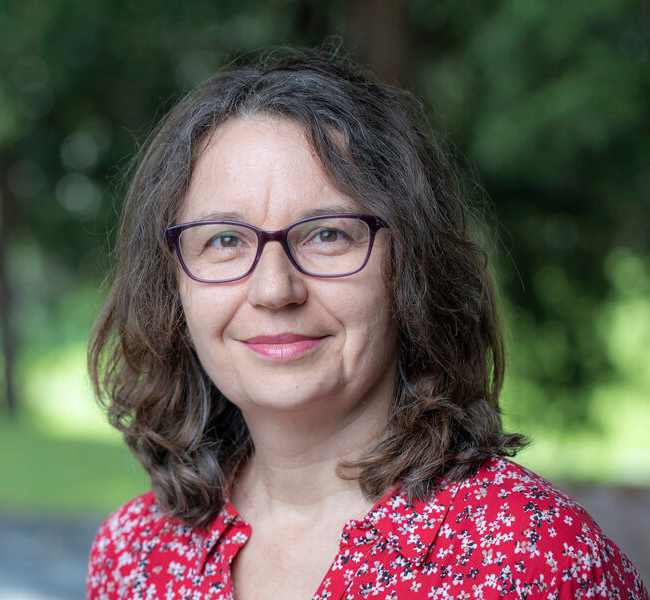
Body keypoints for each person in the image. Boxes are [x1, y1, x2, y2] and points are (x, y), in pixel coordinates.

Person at [85, 49, 648, 600]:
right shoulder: (133, 554)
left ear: (413, 267)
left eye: (328, 234)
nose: (275, 289)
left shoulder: (533, 557)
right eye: (225, 241)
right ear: (171, 285)